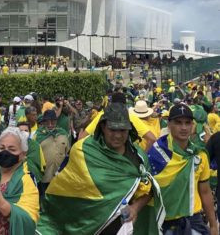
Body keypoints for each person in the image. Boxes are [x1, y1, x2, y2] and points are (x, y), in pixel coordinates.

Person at [37, 103, 165, 234]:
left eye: (122, 130)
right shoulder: (83, 151)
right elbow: (66, 191)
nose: (117, 135)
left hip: (124, 228)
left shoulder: (138, 156)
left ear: (129, 129)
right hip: (88, 226)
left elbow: (149, 189)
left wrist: (135, 208)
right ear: (103, 127)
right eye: (112, 129)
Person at [148, 104, 218, 234]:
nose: (184, 127)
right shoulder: (155, 154)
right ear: (169, 125)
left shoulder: (199, 155)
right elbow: (148, 193)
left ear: (193, 126)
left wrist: (213, 225)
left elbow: (205, 191)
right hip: (164, 222)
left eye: (187, 123)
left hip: (193, 221)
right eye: (178, 123)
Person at [80, 92, 156, 151]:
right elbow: (152, 139)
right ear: (125, 104)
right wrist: (143, 157)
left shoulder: (102, 115)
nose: (117, 135)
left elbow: (81, 138)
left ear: (111, 103)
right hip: (126, 163)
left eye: (122, 130)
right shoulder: (131, 117)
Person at [34, 109, 69, 196]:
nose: (50, 125)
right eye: (47, 122)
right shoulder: (37, 136)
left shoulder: (63, 134)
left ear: (56, 121)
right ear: (44, 122)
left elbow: (68, 153)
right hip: (44, 176)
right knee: (44, 198)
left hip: (61, 175)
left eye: (53, 122)